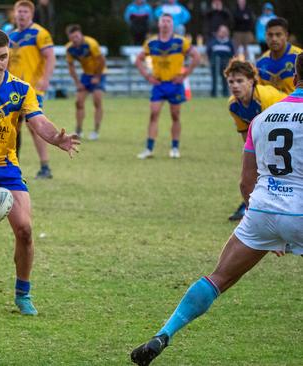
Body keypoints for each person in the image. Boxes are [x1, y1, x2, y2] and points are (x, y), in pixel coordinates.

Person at [130, 53, 303, 366]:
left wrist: (269, 226)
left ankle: (164, 333)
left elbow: (245, 181)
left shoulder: (263, 118)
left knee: (218, 278)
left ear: (294, 79)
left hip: (263, 210)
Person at [0, 28, 79, 316]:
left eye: (2, 57)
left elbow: (38, 122)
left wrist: (56, 138)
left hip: (8, 169)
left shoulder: (22, 89)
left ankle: (23, 293)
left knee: (25, 230)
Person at [225, 59, 285, 221]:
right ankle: (250, 204)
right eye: (231, 82)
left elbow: (279, 131)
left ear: (251, 81)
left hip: (288, 129)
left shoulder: (266, 98)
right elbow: (247, 138)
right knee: (252, 169)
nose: (235, 86)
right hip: (271, 136)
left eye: (240, 81)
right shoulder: (233, 106)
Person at [135, 14, 200, 159]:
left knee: (175, 115)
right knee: (154, 114)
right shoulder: (151, 43)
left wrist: (184, 75)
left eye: (168, 21)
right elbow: (138, 60)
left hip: (175, 84)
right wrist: (148, 76)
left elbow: (196, 56)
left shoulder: (181, 41)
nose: (165, 24)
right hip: (158, 84)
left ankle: (175, 148)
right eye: (163, 21)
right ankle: (149, 149)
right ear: (158, 24)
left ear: (172, 25)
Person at [8, 0, 56, 179]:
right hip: (12, 89)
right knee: (12, 128)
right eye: (19, 11)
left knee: (35, 127)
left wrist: (45, 78)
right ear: (14, 14)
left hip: (32, 89)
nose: (21, 15)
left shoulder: (40, 33)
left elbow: (50, 57)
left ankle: (45, 167)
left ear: (31, 14)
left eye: (25, 12)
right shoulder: (11, 36)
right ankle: (13, 165)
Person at [65, 24, 106, 141]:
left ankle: (96, 131)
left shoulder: (91, 44)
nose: (75, 39)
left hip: (100, 72)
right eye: (72, 38)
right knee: (78, 102)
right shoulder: (69, 48)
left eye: (77, 36)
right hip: (86, 75)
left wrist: (97, 77)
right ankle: (78, 130)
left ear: (81, 34)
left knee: (97, 101)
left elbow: (102, 61)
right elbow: (71, 67)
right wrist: (78, 82)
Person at [256, 17, 302, 95]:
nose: (274, 39)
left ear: (286, 35)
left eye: (278, 34)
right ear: (265, 36)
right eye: (270, 35)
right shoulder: (260, 63)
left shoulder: (299, 57)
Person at [207, 25, 234, 97]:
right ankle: (214, 94)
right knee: (214, 79)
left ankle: (225, 94)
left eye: (225, 32)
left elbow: (232, 54)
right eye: (222, 31)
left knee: (225, 80)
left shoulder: (229, 43)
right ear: (218, 32)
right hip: (215, 63)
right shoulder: (213, 41)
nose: (223, 33)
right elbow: (208, 52)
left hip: (225, 64)